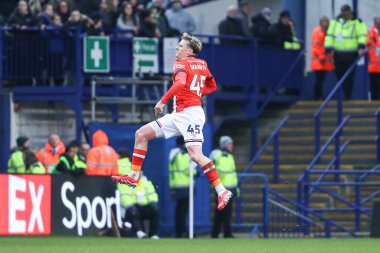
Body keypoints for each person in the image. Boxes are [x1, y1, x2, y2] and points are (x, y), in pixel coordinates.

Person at [112, 33, 233, 212]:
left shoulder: (181, 64)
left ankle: (222, 191)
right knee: (141, 134)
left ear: (189, 50)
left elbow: (180, 83)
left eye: (181, 46)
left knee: (196, 156)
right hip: (179, 114)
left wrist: (162, 101)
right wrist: (196, 93)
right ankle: (134, 175)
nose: (177, 48)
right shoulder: (202, 64)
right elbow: (212, 86)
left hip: (189, 114)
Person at [324, 4, 367, 100]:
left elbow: (362, 35)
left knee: (349, 76)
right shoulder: (335, 22)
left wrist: (361, 47)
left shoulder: (358, 22)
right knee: (339, 74)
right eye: (344, 13)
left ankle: (347, 96)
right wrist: (328, 48)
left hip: (351, 54)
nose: (346, 15)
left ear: (350, 12)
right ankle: (345, 93)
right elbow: (330, 35)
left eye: (347, 12)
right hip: (338, 54)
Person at [209, 136, 238, 238]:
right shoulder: (216, 154)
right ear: (225, 144)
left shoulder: (230, 156)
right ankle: (227, 233)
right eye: (230, 144)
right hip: (221, 189)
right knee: (226, 213)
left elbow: (233, 175)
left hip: (230, 188)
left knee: (221, 212)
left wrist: (236, 189)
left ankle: (215, 233)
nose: (231, 146)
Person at [169, 136, 197, 238]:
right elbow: (186, 169)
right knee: (183, 210)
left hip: (177, 185)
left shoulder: (174, 153)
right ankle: (182, 232)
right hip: (184, 185)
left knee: (180, 210)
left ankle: (181, 231)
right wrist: (195, 172)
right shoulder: (181, 153)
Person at [118, 171, 159, 239]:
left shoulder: (146, 182)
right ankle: (139, 231)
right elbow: (125, 198)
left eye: (140, 171)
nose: (139, 173)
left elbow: (152, 195)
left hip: (144, 206)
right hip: (131, 207)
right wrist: (131, 206)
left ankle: (153, 234)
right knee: (133, 210)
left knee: (155, 209)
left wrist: (153, 203)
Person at [310, 16, 334, 100]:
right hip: (318, 61)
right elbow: (316, 46)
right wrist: (321, 57)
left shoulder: (327, 32)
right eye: (324, 22)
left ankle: (319, 95)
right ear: (321, 23)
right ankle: (317, 96)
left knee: (321, 79)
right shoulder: (317, 32)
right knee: (319, 79)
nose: (326, 24)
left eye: (327, 22)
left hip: (324, 62)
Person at [367, 17, 380, 100]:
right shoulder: (370, 32)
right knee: (374, 86)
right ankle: (374, 104)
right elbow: (370, 43)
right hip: (374, 66)